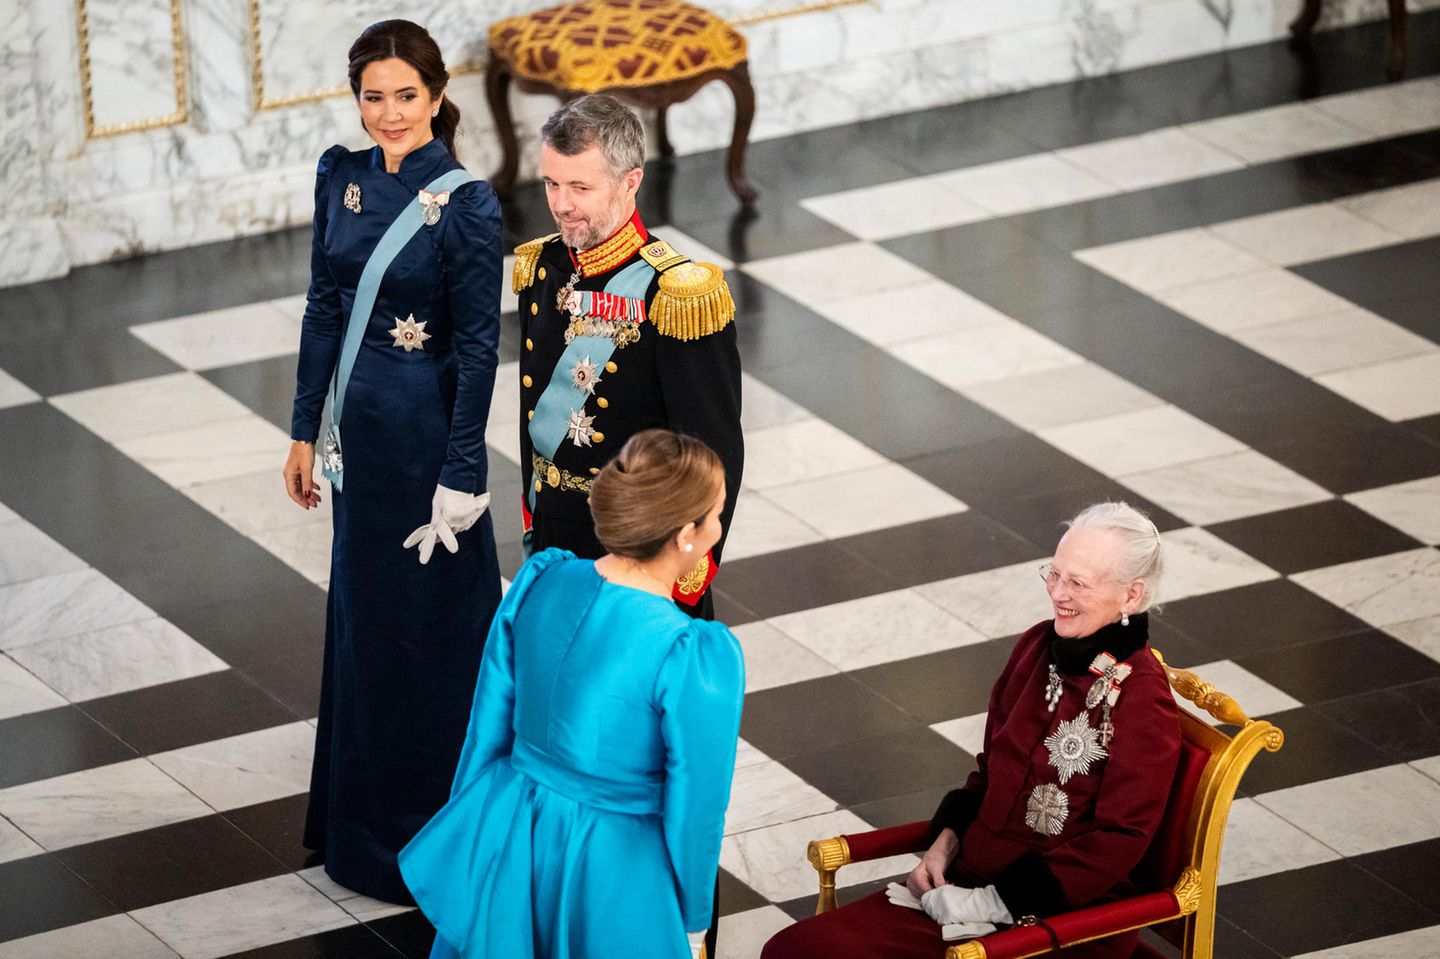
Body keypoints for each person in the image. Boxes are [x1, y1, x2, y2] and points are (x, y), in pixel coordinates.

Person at [280, 19, 503, 904]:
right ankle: (359, 828)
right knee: (368, 623)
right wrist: (303, 430)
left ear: (439, 97)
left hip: (425, 441)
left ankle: (436, 835)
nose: (389, 113)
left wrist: (462, 471)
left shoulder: (467, 202)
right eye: (374, 96)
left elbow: (482, 347)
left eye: (406, 95)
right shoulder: (340, 176)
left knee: (430, 634)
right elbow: (323, 307)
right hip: (356, 445)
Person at [763, 502, 1181, 959]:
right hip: (962, 884)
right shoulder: (1037, 647)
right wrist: (943, 846)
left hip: (1055, 921)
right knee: (794, 949)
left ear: (1132, 595)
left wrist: (991, 903)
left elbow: (1118, 842)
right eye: (1054, 573)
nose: (1057, 593)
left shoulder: (1141, 698)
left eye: (1078, 583)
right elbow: (991, 773)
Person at [398, 429, 745, 959]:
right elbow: (697, 804)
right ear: (685, 536)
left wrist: (473, 833)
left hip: (516, 828)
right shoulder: (690, 653)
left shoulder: (542, 579)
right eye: (716, 514)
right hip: (613, 865)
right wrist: (693, 921)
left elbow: (487, 724)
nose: (720, 526)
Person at [513, 93, 744, 621]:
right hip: (556, 536)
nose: (561, 203)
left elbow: (713, 452)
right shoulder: (544, 267)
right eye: (551, 183)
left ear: (631, 182)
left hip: (644, 552)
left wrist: (685, 573)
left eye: (580, 187)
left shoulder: (676, 296)